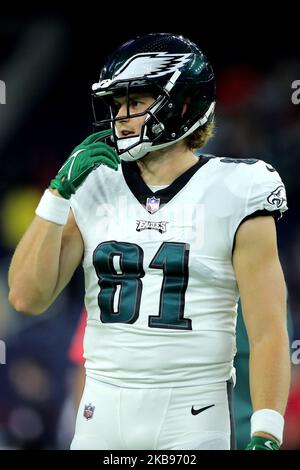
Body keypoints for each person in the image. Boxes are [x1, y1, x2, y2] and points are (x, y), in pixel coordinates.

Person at [8, 33, 290, 450]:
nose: (120, 116)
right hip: (99, 414)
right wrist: (57, 193)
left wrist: (267, 430)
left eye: (135, 102)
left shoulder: (240, 187)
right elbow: (26, 298)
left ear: (182, 105)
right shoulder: (92, 184)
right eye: (117, 104)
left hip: (193, 418)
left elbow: (268, 329)